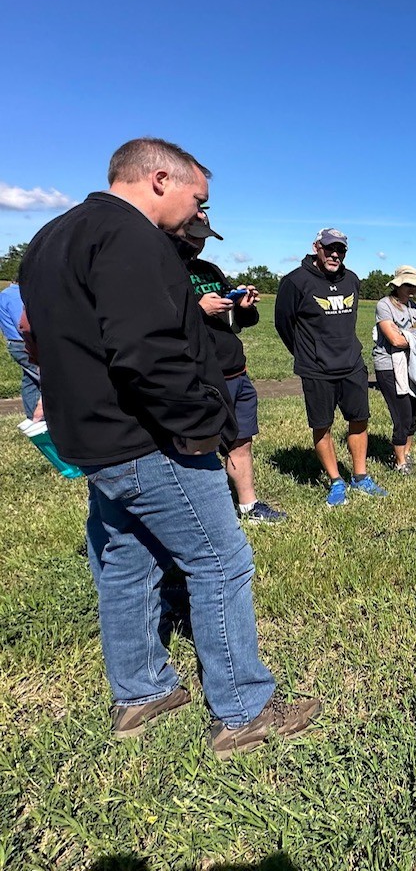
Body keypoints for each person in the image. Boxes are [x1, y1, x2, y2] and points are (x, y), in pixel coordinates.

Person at [19, 137, 318, 757]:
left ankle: (141, 692)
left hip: (91, 438)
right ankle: (243, 711)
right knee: (220, 561)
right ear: (160, 179)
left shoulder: (50, 238)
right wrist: (201, 421)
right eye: (198, 198)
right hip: (147, 439)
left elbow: (32, 333)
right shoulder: (131, 237)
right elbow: (146, 353)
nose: (199, 212)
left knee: (127, 561)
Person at [174, 211, 285, 523]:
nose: (198, 244)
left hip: (235, 372)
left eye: (203, 238)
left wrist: (242, 306)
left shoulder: (209, 269)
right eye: (193, 236)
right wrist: (199, 310)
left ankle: (249, 506)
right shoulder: (163, 270)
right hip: (200, 376)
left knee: (241, 441)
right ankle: (204, 513)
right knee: (198, 447)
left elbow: (237, 322)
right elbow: (158, 323)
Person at [275, 228, 387, 507]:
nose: (335, 254)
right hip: (316, 369)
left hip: (352, 365)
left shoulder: (352, 280)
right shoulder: (295, 281)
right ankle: (336, 480)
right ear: (317, 247)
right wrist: (307, 353)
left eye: (341, 250)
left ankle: (360, 476)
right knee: (322, 425)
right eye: (329, 248)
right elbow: (283, 324)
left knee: (359, 419)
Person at [373, 265, 416, 475]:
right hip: (389, 366)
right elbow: (395, 340)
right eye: (408, 285)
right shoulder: (384, 305)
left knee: (413, 414)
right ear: (398, 285)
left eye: (415, 285)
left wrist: (408, 335)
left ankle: (406, 454)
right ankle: (399, 462)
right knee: (402, 415)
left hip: (413, 365)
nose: (412, 289)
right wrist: (415, 337)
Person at [0, 279, 41, 419]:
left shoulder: (5, 294)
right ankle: (41, 416)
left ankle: (32, 416)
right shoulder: (17, 295)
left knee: (30, 380)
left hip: (14, 343)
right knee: (45, 377)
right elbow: (23, 325)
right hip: (24, 343)